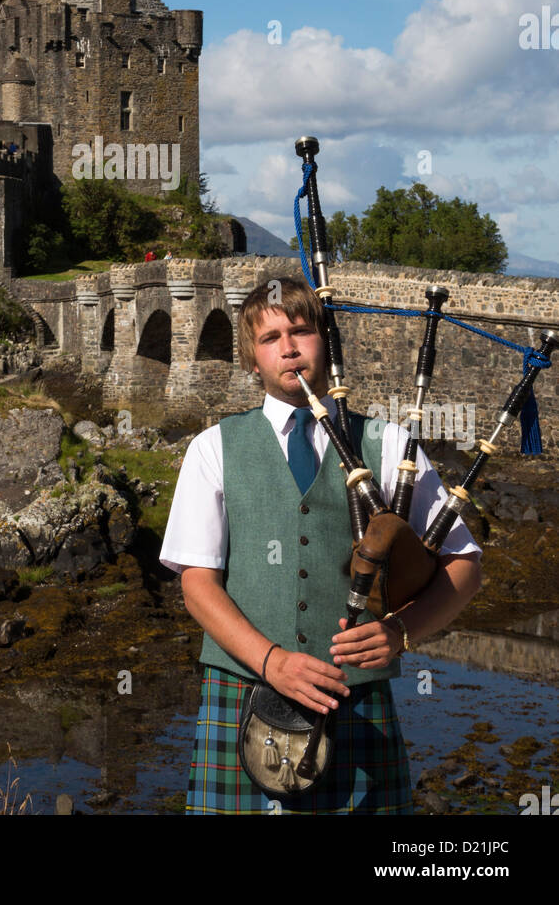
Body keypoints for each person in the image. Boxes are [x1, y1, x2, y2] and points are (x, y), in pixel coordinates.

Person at [160, 276, 482, 815]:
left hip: (356, 702)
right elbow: (197, 585)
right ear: (251, 358)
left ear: (324, 342)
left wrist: (402, 631)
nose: (287, 347)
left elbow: (464, 566)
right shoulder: (212, 448)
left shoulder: (389, 447)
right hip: (242, 694)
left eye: (301, 331)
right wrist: (271, 661)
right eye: (270, 338)